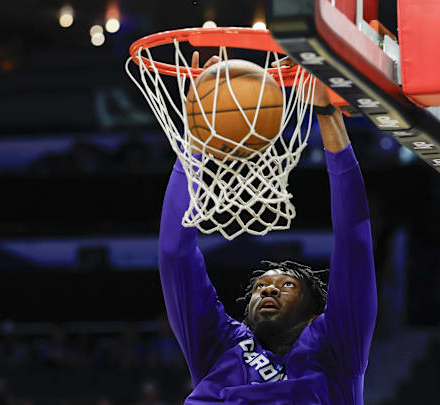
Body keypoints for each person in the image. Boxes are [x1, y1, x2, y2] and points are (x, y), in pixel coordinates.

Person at [157, 52, 377, 404]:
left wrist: (326, 114)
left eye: (286, 285)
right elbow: (174, 254)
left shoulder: (336, 346)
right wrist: (196, 137)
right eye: (261, 287)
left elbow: (355, 244)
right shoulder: (221, 343)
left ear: (313, 314)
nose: (268, 291)